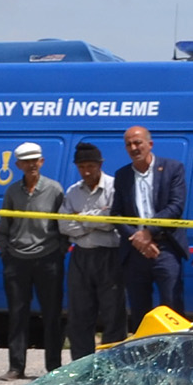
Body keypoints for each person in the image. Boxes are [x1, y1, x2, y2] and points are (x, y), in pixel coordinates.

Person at [0, 141, 68, 378]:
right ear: (18, 165)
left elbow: (64, 225)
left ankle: (54, 367)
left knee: (52, 315)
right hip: (17, 260)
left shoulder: (55, 189)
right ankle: (16, 366)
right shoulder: (12, 191)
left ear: (42, 162)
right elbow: (4, 226)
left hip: (48, 259)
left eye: (35, 160)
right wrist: (5, 252)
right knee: (17, 315)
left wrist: (59, 251)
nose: (31, 165)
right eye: (26, 161)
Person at [113, 125, 189, 329]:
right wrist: (139, 240)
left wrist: (148, 232)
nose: (134, 147)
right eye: (128, 144)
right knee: (140, 313)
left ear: (150, 144)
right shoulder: (122, 176)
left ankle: (177, 356)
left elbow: (176, 206)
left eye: (138, 142)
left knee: (172, 309)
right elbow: (117, 214)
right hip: (135, 251)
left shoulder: (173, 168)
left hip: (166, 249)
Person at [61, 141, 127, 357]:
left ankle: (113, 365)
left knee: (113, 313)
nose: (86, 171)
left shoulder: (115, 187)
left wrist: (81, 219)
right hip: (81, 256)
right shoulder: (73, 192)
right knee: (79, 314)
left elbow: (112, 221)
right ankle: (82, 365)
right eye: (82, 167)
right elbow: (63, 224)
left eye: (91, 166)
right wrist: (96, 219)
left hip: (109, 256)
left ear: (100, 164)